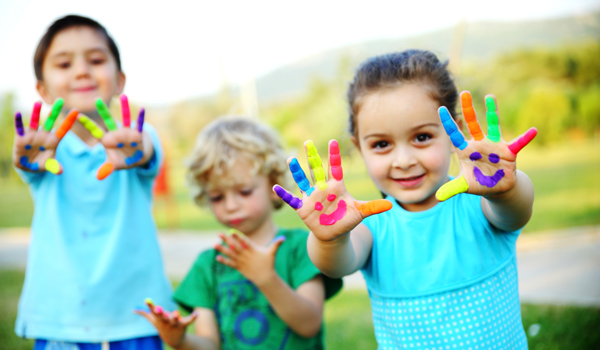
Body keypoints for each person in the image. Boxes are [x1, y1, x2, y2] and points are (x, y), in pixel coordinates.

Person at [274, 50, 538, 349]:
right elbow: (337, 264)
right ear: (358, 148)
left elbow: (516, 211)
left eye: (422, 137)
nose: (403, 160)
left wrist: (506, 188)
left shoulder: (481, 206)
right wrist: (329, 239)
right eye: (382, 144)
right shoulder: (370, 228)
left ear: (455, 132)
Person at [12, 15, 174, 349]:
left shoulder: (139, 140)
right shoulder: (43, 151)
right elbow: (27, 162)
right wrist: (25, 158)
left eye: (96, 60)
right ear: (42, 89)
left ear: (119, 81)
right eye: (64, 63)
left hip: (135, 317)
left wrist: (137, 149)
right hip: (62, 319)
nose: (82, 71)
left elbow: (145, 151)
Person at [135, 117, 342, 349]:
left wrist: (267, 279)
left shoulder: (302, 248)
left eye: (244, 191)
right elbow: (209, 344)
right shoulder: (208, 265)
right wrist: (180, 340)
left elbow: (309, 324)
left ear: (273, 184)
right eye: (217, 197)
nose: (231, 205)